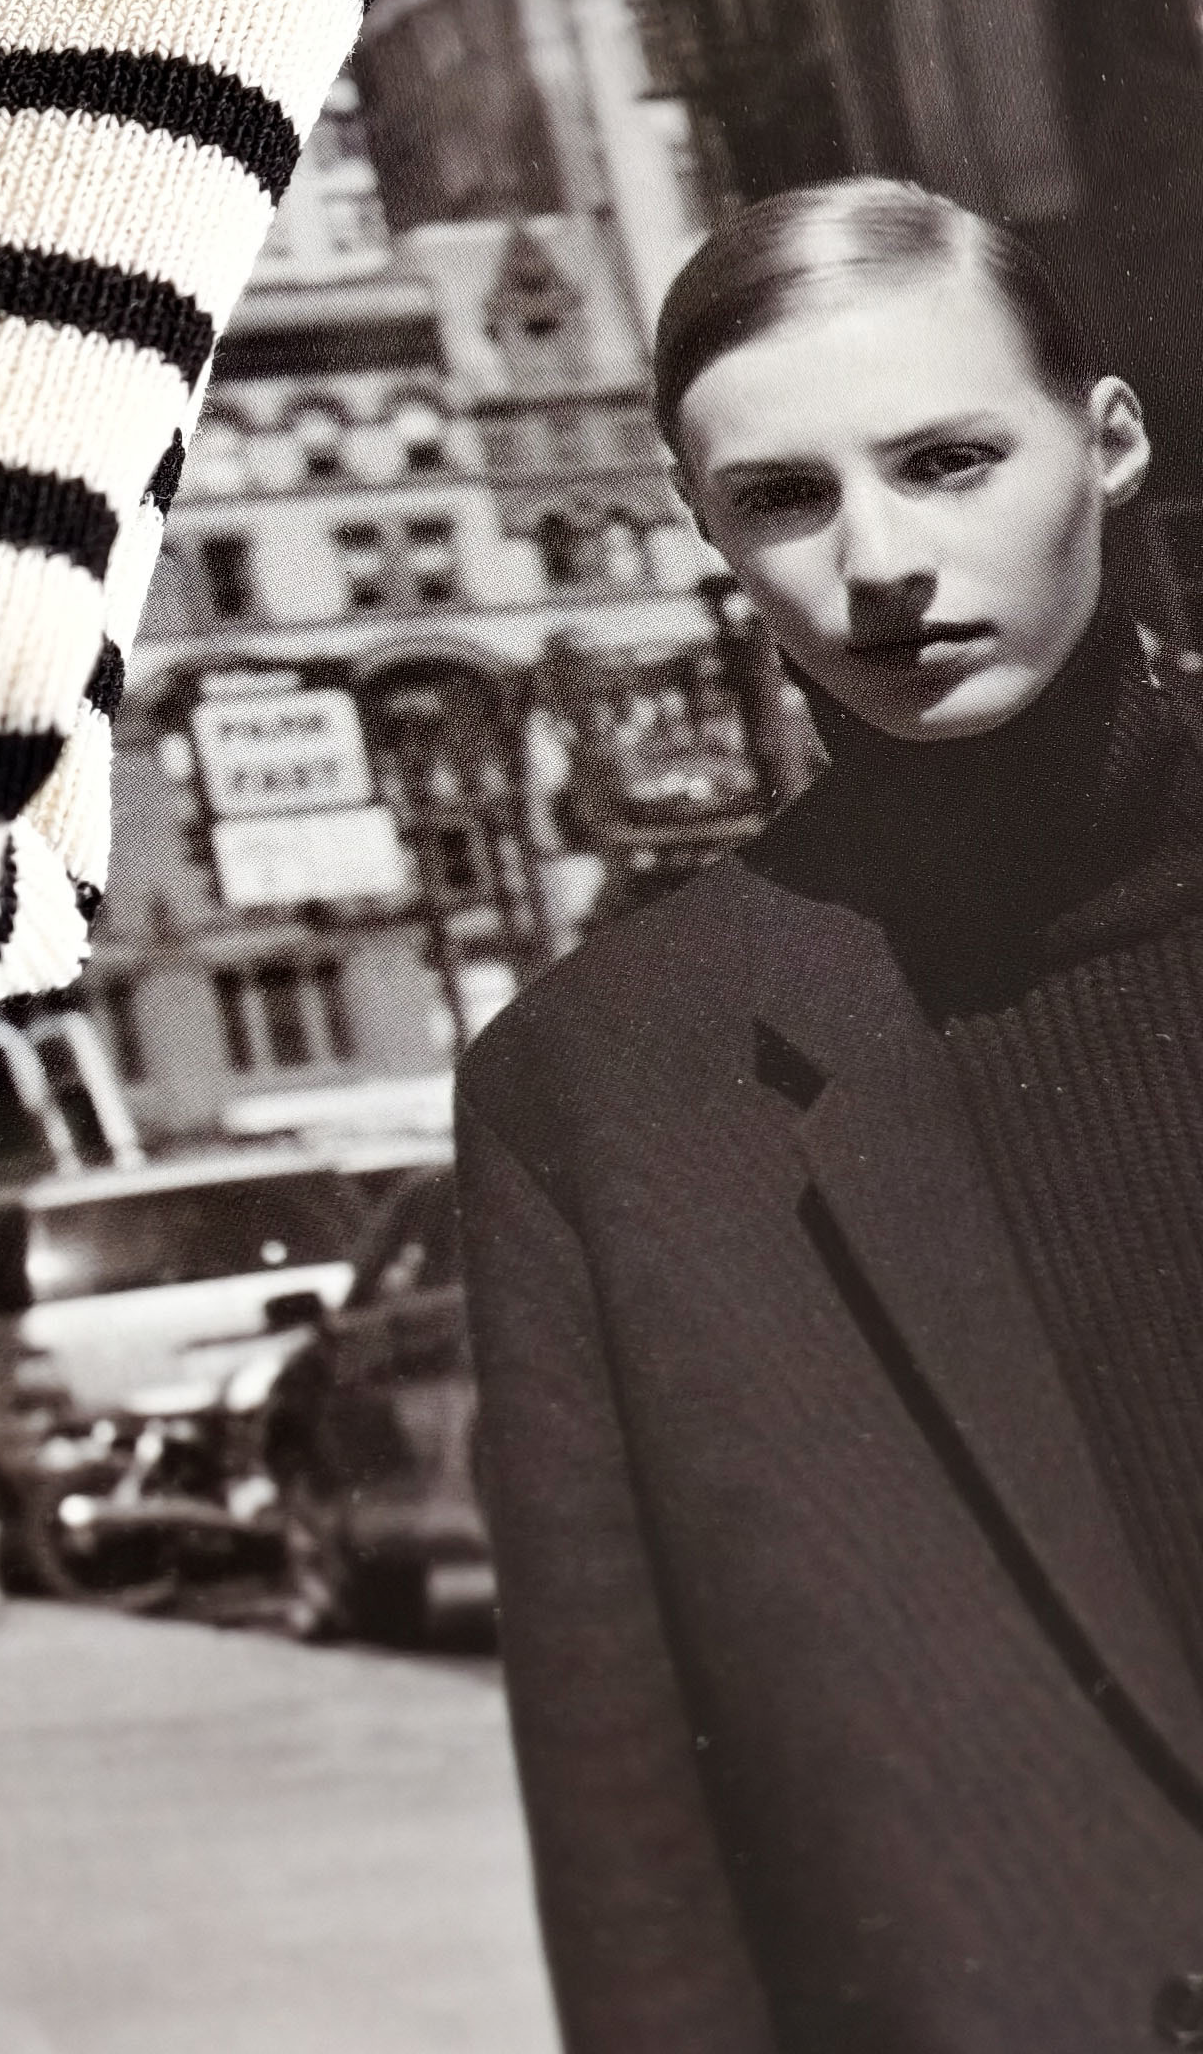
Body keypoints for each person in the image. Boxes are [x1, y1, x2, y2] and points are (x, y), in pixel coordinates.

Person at [461, 177, 1203, 2052]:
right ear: (705, 532)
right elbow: (640, 1864)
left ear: (1110, 445)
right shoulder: (603, 1090)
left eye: (949, 461)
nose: (879, 562)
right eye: (783, 497)